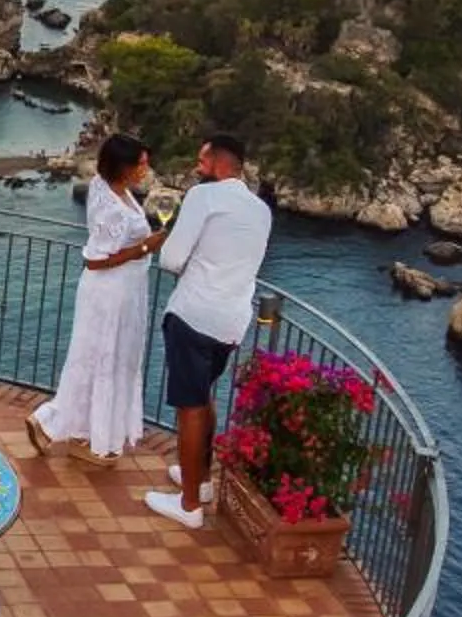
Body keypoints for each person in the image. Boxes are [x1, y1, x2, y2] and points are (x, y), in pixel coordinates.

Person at [145, 131, 274, 531]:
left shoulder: (203, 197)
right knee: (204, 397)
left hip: (194, 314)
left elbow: (171, 259)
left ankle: (188, 506)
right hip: (232, 321)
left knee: (189, 407)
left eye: (202, 162)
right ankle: (198, 481)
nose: (197, 168)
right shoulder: (262, 211)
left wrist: (190, 262)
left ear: (219, 163)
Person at [24, 135, 163, 465]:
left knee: (103, 360)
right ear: (124, 166)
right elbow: (97, 260)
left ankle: (83, 434)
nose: (146, 169)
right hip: (110, 293)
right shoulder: (112, 204)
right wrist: (148, 246)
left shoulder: (110, 187)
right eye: (141, 163)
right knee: (100, 360)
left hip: (124, 292)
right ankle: (49, 421)